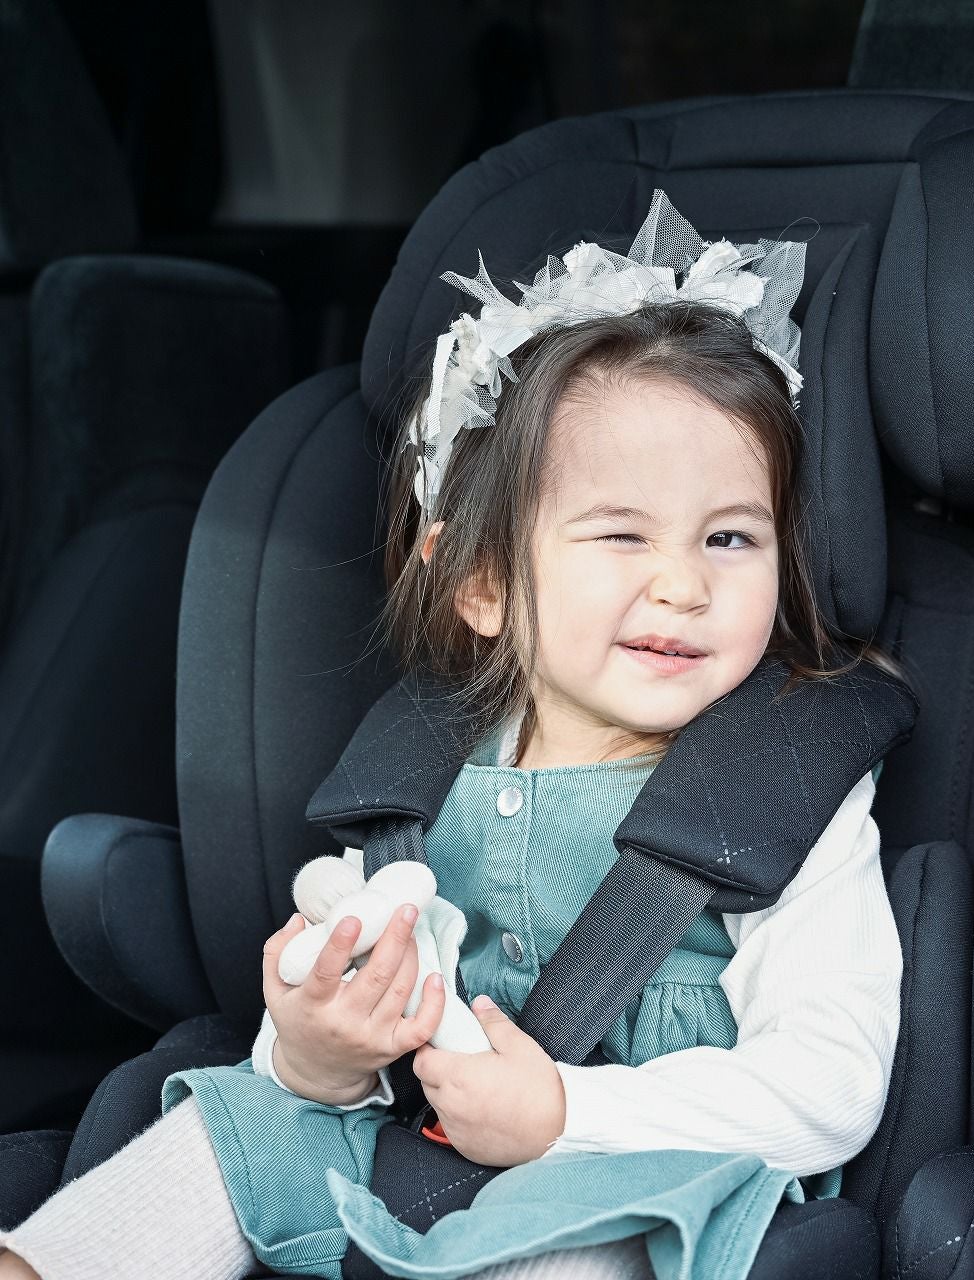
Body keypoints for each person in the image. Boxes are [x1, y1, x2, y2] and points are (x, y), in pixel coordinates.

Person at [0, 192, 904, 1280]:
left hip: (639, 1169)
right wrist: (317, 1051)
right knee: (233, 1125)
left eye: (729, 538)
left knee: (592, 1235)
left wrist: (565, 1114)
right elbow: (334, 1047)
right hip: (413, 1147)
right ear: (482, 582)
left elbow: (831, 1083)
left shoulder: (785, 796)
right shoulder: (423, 775)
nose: (683, 583)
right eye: (622, 535)